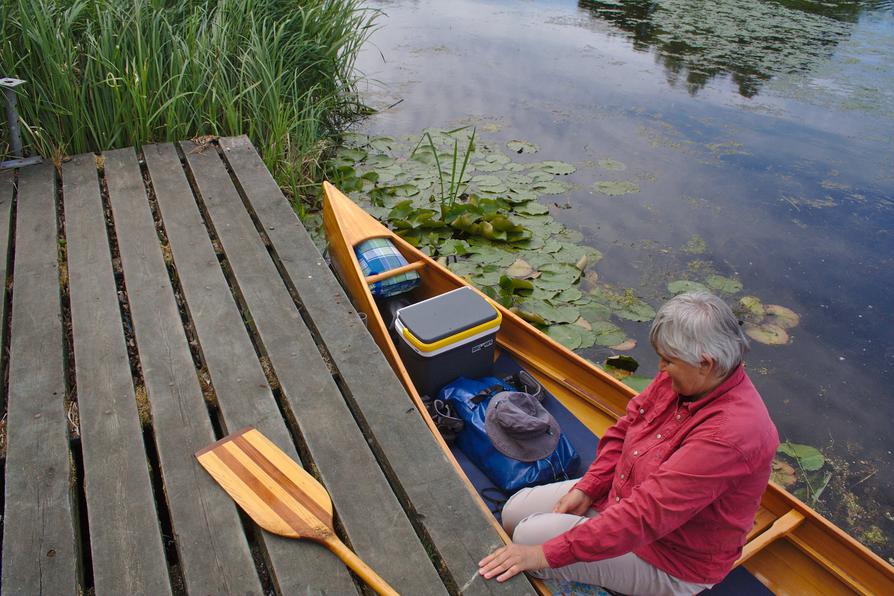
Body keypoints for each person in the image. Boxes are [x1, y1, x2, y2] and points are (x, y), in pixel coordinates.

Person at [478, 291, 779, 595]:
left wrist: (542, 555)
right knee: (514, 511)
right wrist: (590, 486)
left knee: (529, 539)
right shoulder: (689, 377)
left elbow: (645, 517)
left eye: (668, 361)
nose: (660, 369)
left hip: (669, 555)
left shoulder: (730, 436)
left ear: (705, 363)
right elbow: (625, 429)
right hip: (625, 497)